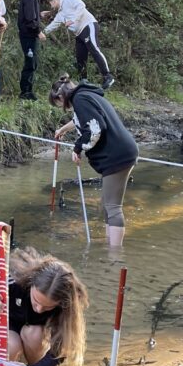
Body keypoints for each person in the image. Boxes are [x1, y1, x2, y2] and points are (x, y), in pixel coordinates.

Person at [51, 75, 137, 246]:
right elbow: (83, 120)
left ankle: (115, 255)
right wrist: (63, 129)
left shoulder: (80, 100)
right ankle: (109, 245)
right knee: (106, 206)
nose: (62, 108)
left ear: (60, 97)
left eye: (58, 104)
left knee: (113, 207)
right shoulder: (87, 95)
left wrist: (78, 148)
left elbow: (96, 128)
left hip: (118, 156)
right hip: (122, 151)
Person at [42, 0, 115, 90]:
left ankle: (108, 76)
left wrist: (73, 19)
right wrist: (41, 33)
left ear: (54, 1)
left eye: (50, 4)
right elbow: (53, 25)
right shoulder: (60, 14)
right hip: (79, 34)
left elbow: (81, 6)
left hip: (88, 25)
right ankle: (83, 82)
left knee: (94, 49)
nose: (51, 6)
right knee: (80, 57)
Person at [17, 0, 46, 101]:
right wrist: (38, 31)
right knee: (30, 63)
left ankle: (28, 91)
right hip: (28, 35)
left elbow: (31, 15)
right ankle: (25, 92)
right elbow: (29, 19)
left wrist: (39, 15)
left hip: (30, 35)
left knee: (32, 62)